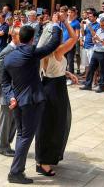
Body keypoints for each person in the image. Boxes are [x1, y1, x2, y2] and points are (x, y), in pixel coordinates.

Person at [1, 24, 62, 184]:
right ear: (32, 39)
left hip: (17, 102)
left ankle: (16, 171)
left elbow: (5, 82)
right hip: (32, 102)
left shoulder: (9, 57)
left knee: (22, 136)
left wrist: (11, 97)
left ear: (20, 37)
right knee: (25, 137)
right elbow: (53, 44)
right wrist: (56, 27)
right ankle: (15, 172)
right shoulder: (31, 52)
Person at [35, 13, 79, 176]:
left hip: (47, 84)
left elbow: (53, 68)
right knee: (55, 126)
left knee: (46, 125)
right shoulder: (59, 50)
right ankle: (44, 163)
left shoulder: (41, 52)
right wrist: (66, 22)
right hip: (56, 90)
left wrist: (67, 72)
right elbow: (74, 38)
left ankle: (42, 159)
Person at [0, 26, 20, 158]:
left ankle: (7, 144)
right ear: (14, 37)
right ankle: (3, 146)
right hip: (7, 91)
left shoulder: (18, 49)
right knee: (6, 120)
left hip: (16, 91)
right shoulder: (6, 51)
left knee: (14, 120)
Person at [80, 17, 104, 93]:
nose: (101, 26)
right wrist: (94, 40)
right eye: (101, 25)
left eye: (103, 25)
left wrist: (99, 40)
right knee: (91, 68)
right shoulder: (99, 30)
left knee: (103, 71)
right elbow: (96, 40)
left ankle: (101, 86)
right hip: (96, 51)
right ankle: (88, 85)